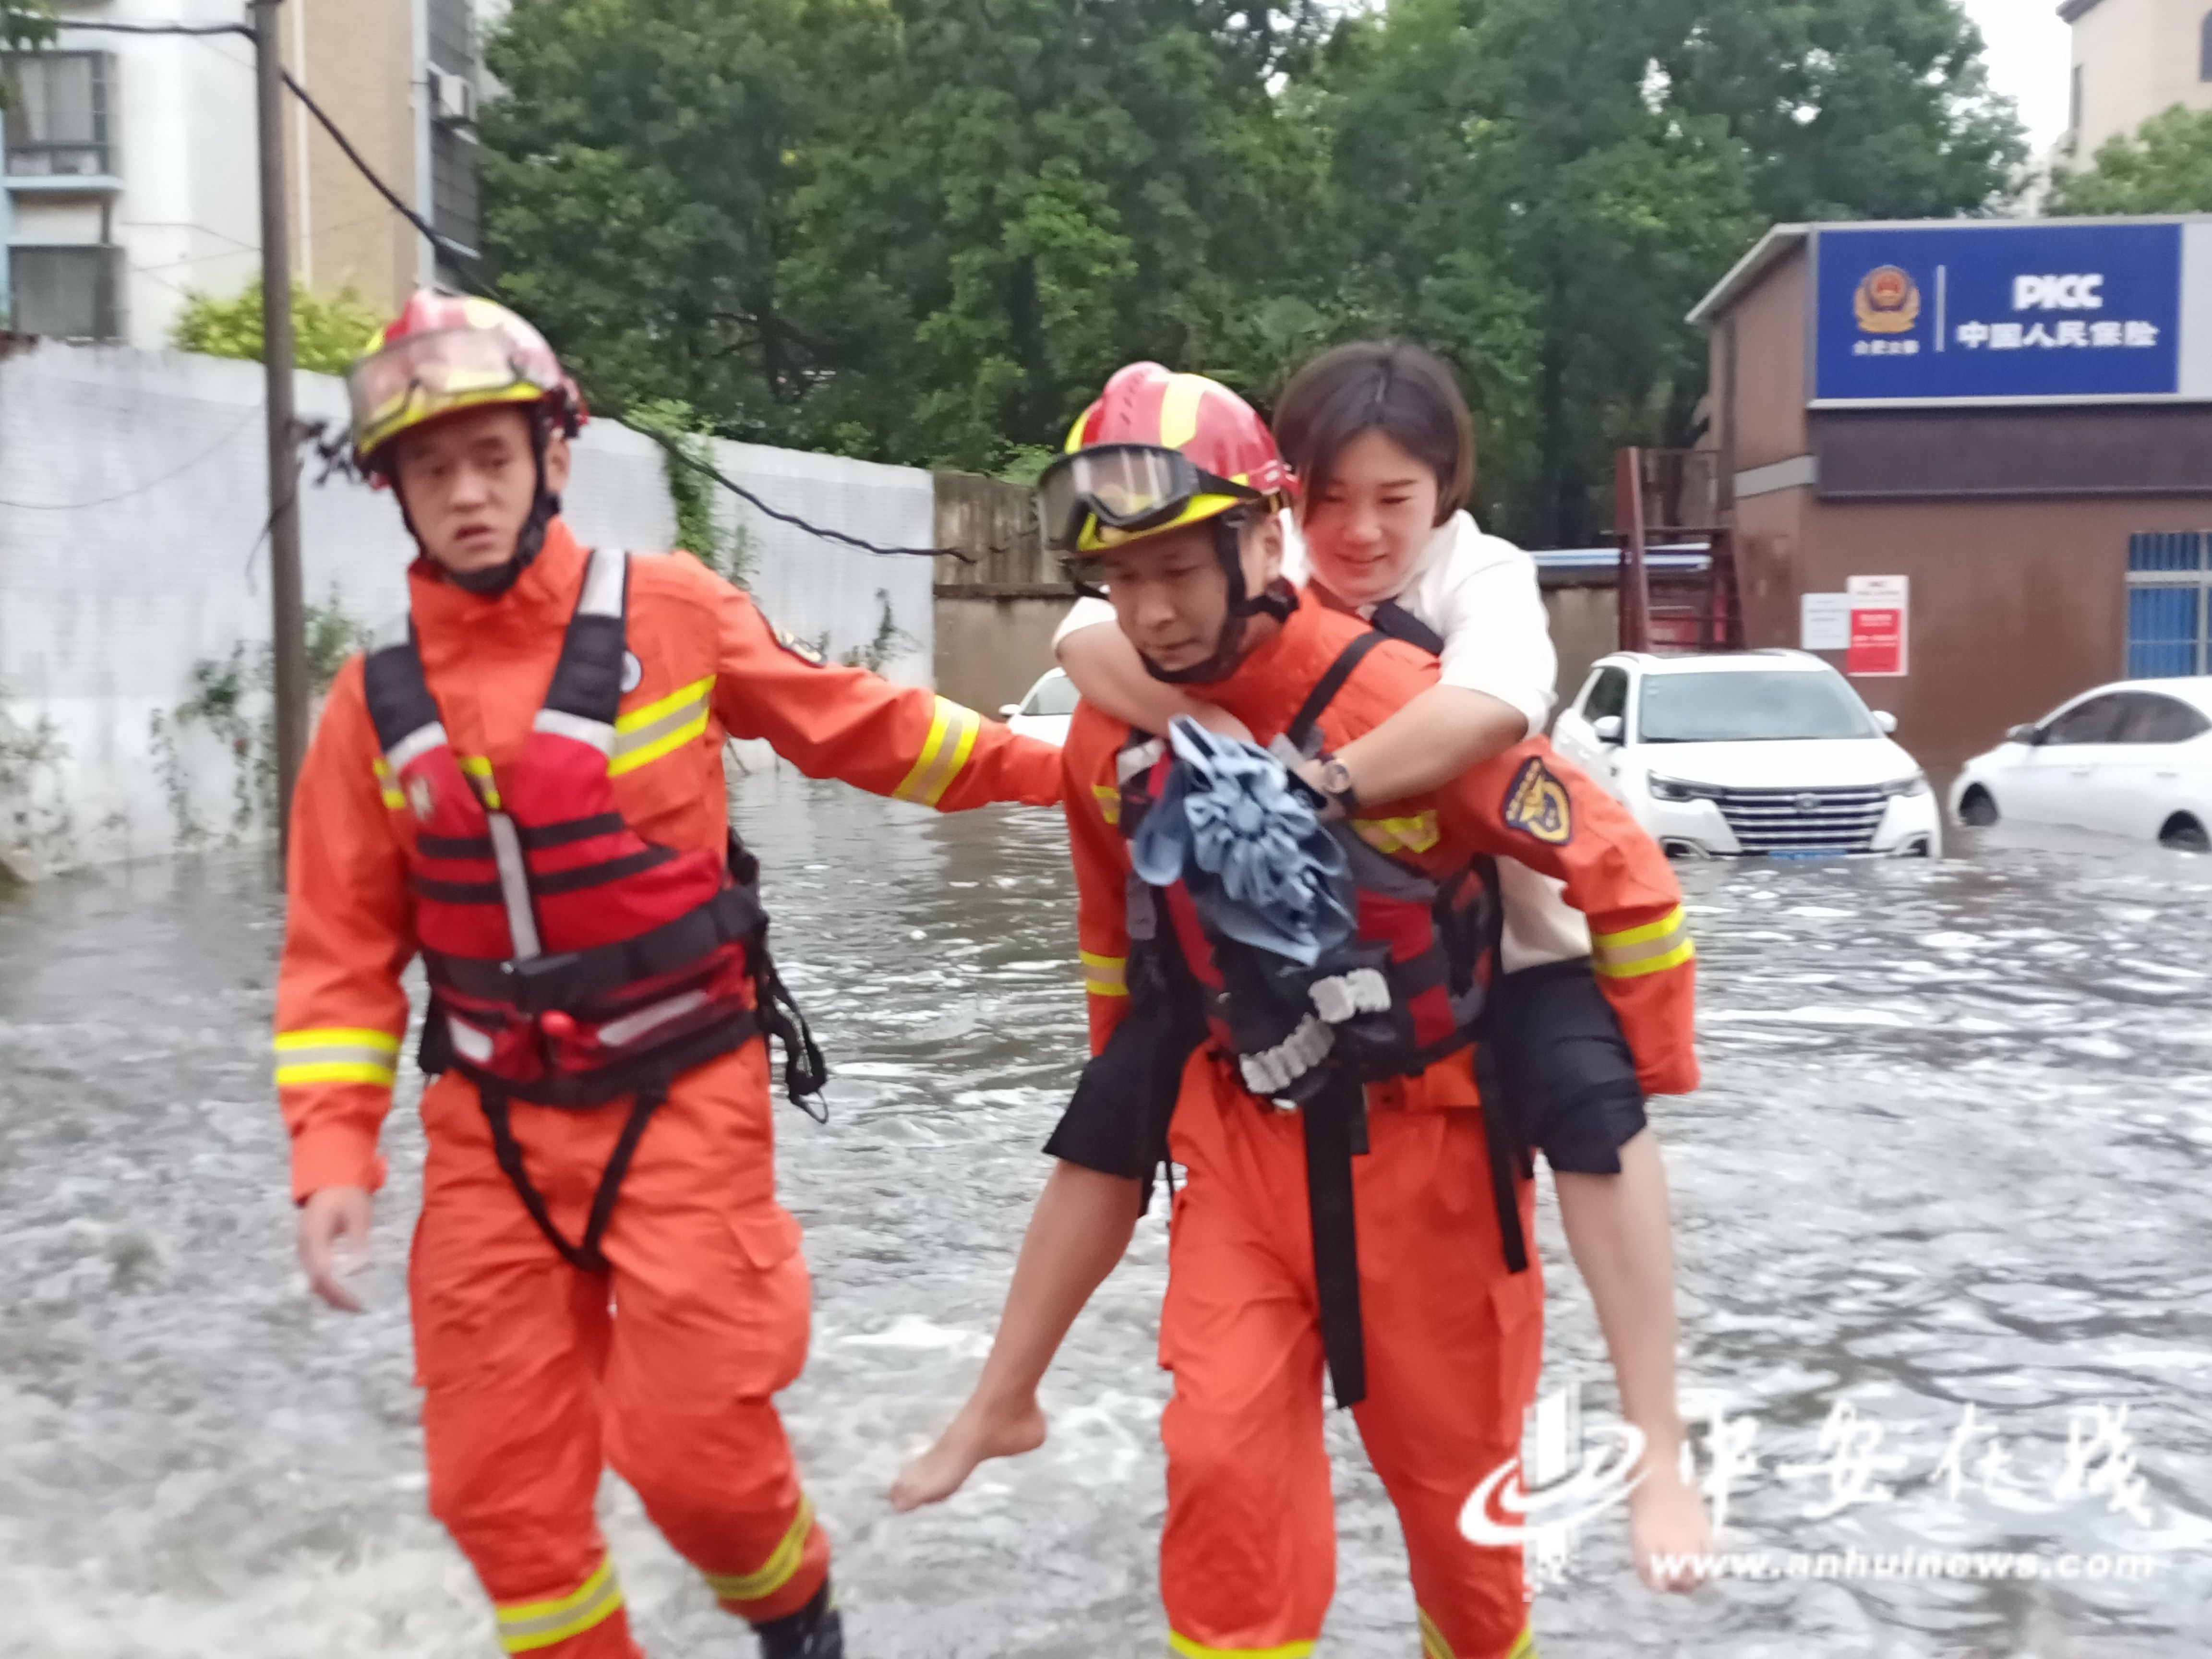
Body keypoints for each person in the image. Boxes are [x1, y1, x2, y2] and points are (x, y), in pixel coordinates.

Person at [273, 290, 1061, 1659]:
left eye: (491, 460)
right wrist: (332, 1153)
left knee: (690, 1450)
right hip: (490, 1135)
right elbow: (339, 950)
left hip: (680, 1103)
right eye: (432, 469)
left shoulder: (678, 614)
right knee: (495, 1491)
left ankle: (796, 1616)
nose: (465, 494)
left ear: (552, 459)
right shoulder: (369, 707)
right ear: (396, 491)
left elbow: (863, 729)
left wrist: (1059, 770)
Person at [894, 352, 1711, 1590]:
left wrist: (1642, 1065)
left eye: (1178, 570)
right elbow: (1112, 909)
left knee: (1465, 1534)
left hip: (1442, 1131)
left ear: (1254, 543)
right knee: (1220, 1490)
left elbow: (1611, 857)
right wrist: (1125, 1052)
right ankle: (1003, 1398)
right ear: (1293, 513)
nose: (1155, 609)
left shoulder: (1437, 659)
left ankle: (1660, 1444)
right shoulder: (1127, 706)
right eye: (1128, 577)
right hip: (1241, 1132)